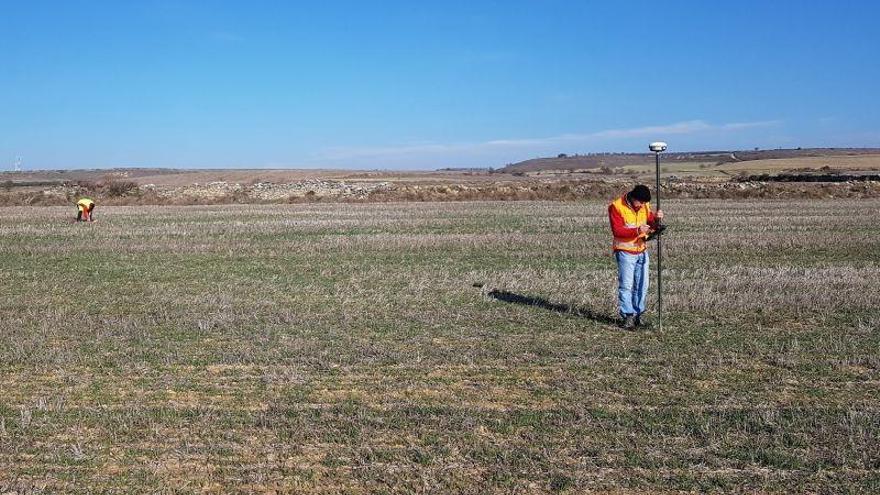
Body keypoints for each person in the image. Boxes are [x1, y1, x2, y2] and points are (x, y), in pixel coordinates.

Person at [608, 185, 664, 330]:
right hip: (625, 252)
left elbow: (651, 221)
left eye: (644, 203)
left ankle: (639, 315)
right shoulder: (616, 206)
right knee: (626, 286)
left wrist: (657, 220)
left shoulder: (644, 205)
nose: (643, 205)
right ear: (633, 198)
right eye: (640, 202)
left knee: (642, 285)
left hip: (641, 250)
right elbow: (617, 231)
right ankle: (628, 316)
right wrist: (637, 230)